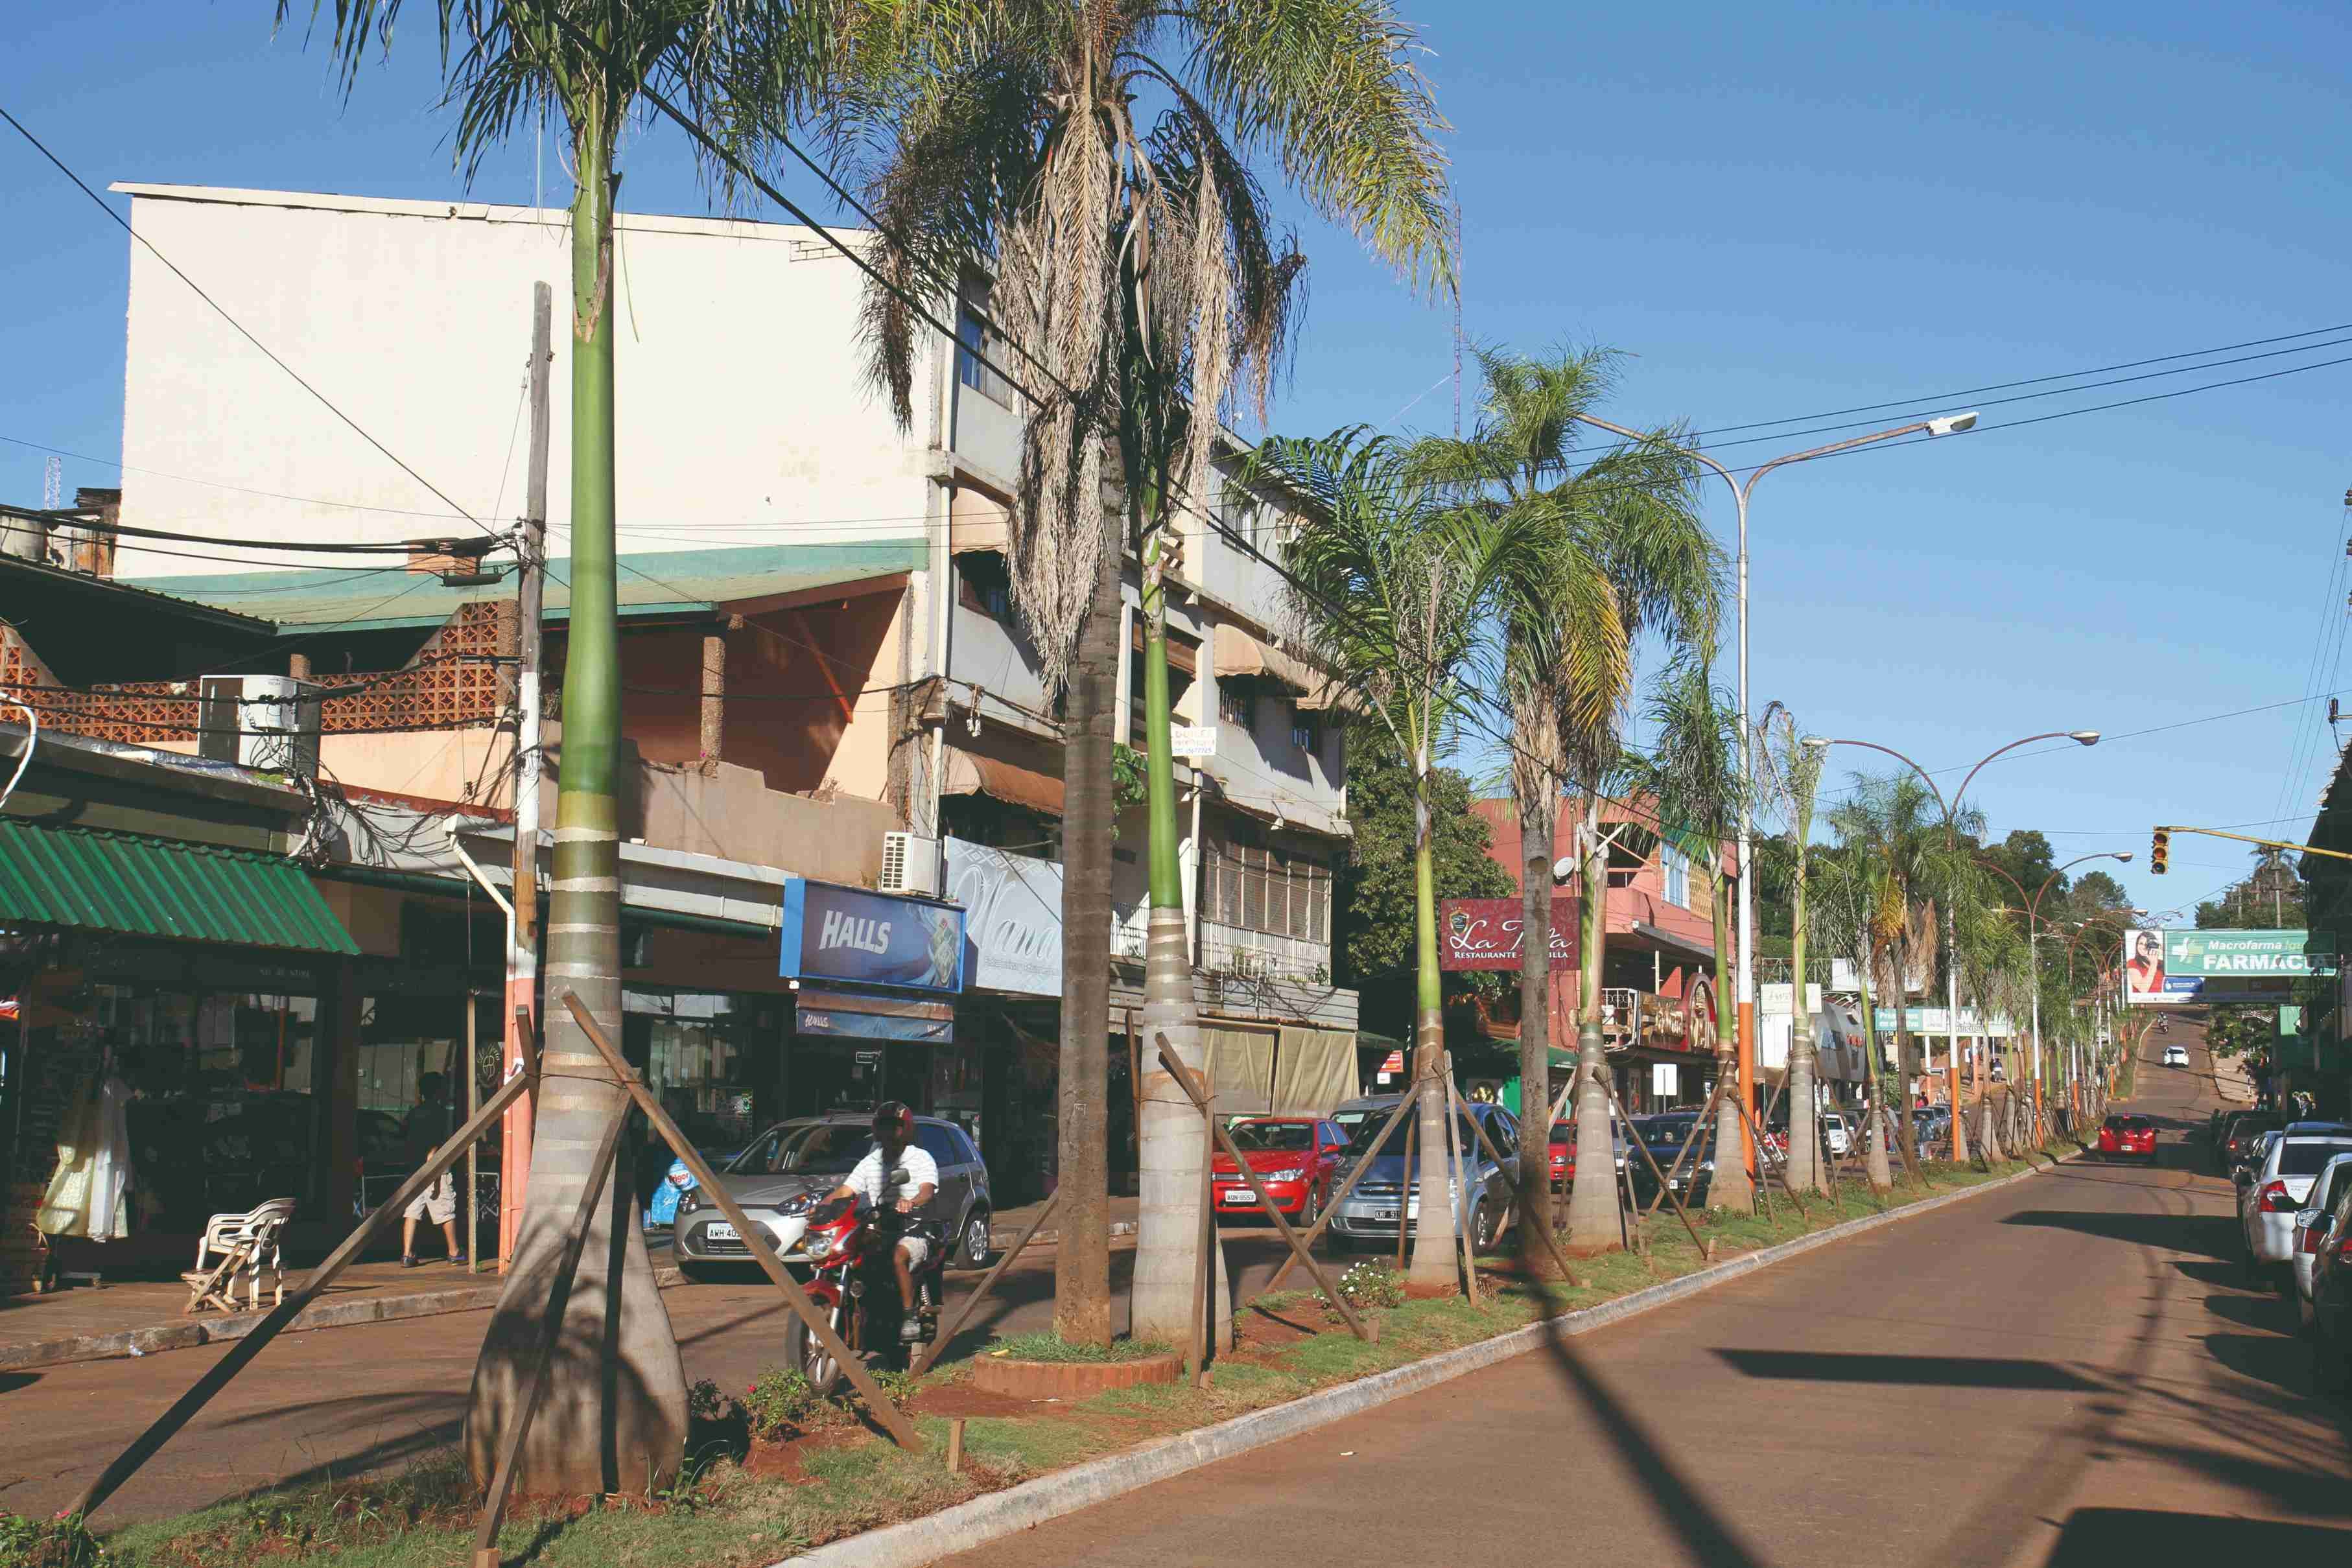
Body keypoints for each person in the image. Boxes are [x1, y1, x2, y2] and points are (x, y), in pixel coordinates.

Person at [824, 1102, 938, 1340]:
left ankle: (909, 1316)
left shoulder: (921, 1158)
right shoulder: (870, 1162)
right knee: (847, 1248)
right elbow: (846, 1190)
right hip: (879, 1228)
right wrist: (821, 1205)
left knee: (899, 1256)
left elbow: (927, 1190)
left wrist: (912, 1202)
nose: (888, 1132)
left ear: (905, 1129)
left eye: (894, 1127)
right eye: (883, 1126)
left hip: (913, 1230)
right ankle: (856, 1301)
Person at [400, 1072, 464, 1267]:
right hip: (435, 1169)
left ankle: (407, 1254)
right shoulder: (442, 1113)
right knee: (445, 1210)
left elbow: (403, 1137)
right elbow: (439, 1143)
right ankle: (454, 1252)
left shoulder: (413, 1113)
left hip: (413, 1170)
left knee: (412, 1212)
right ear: (438, 1091)